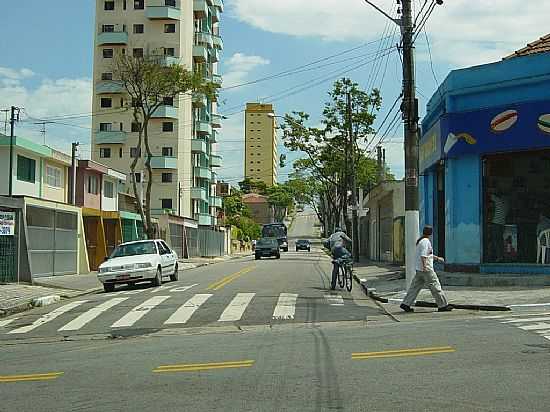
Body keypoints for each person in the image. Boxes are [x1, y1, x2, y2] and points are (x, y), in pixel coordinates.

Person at [400, 225, 453, 313]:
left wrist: (437, 258)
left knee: (414, 287)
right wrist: (425, 266)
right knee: (435, 286)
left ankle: (406, 304)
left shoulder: (421, 241)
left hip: (419, 270)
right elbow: (423, 256)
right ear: (431, 233)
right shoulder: (426, 242)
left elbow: (428, 255)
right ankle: (443, 305)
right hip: (426, 269)